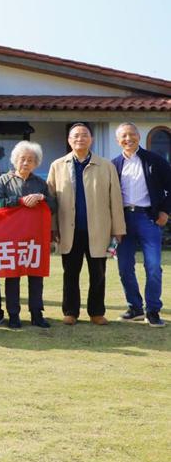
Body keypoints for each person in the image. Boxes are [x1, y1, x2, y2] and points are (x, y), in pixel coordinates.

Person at [47, 122, 125, 326]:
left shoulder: (106, 166)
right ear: (69, 140)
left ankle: (96, 312)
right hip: (68, 229)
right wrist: (52, 227)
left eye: (84, 135)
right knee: (70, 273)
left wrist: (118, 229)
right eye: (75, 136)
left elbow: (115, 200)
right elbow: (51, 200)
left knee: (98, 273)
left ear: (92, 139)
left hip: (98, 230)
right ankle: (70, 311)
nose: (79, 139)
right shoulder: (57, 165)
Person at [112, 122, 170, 327]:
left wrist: (165, 211)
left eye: (132, 134)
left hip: (148, 218)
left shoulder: (155, 160)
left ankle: (153, 310)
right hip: (123, 219)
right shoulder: (114, 165)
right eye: (124, 136)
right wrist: (113, 224)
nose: (128, 139)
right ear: (118, 140)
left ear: (138, 136)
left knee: (153, 266)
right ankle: (135, 307)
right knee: (124, 266)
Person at [0, 141, 56, 328]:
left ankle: (37, 313)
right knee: (12, 276)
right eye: (22, 159)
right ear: (15, 160)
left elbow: (53, 206)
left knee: (36, 275)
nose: (26, 163)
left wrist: (42, 198)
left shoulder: (40, 183)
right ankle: (13, 314)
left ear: (36, 163)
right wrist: (19, 201)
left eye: (30, 160)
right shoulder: (3, 180)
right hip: (11, 236)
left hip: (35, 236)